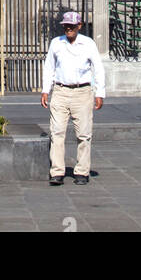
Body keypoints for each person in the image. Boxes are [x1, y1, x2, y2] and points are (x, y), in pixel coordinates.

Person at [41, 11, 105, 186]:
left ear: (79, 26)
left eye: (72, 26)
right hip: (60, 91)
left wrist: (100, 93)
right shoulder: (56, 43)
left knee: (83, 134)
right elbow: (49, 68)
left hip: (82, 92)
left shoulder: (88, 44)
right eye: (66, 26)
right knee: (57, 132)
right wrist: (45, 90)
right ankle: (57, 171)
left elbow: (97, 68)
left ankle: (82, 171)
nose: (68, 29)